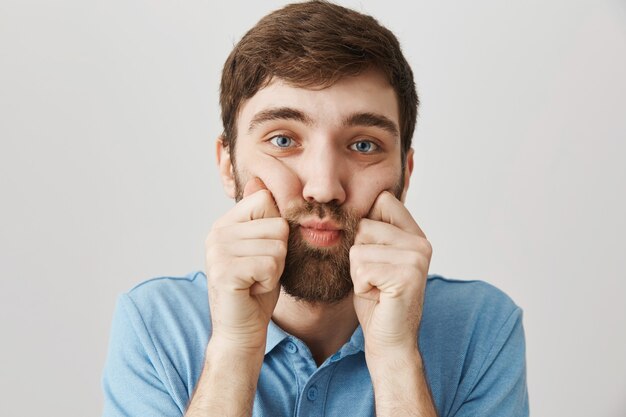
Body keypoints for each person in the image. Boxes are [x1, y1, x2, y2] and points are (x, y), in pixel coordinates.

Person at [102, 1, 529, 416]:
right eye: (283, 140)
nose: (324, 187)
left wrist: (397, 358)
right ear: (228, 165)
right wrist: (235, 347)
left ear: (406, 173)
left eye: (364, 145)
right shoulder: (154, 324)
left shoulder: (481, 328)